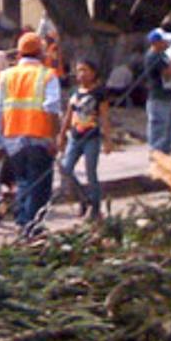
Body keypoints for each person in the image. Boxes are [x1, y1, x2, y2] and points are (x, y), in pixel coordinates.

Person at [0, 32, 61, 236]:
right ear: (40, 52)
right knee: (40, 187)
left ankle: (23, 223)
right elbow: (52, 108)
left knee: (23, 183)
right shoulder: (48, 75)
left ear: (19, 53)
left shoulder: (6, 76)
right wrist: (54, 138)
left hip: (13, 139)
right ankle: (31, 228)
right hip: (39, 138)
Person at [57, 60, 112, 221]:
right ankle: (84, 198)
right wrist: (62, 135)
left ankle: (95, 208)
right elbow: (68, 115)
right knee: (66, 168)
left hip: (91, 138)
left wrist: (107, 139)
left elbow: (104, 117)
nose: (81, 74)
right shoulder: (75, 92)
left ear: (93, 72)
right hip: (75, 136)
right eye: (79, 70)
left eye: (85, 70)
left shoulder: (99, 93)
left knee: (91, 173)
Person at [144, 29, 171, 154]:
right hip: (158, 97)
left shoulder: (163, 55)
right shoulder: (153, 56)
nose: (166, 43)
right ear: (156, 42)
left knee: (168, 128)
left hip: (168, 95)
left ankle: (165, 152)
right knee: (159, 126)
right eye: (164, 41)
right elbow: (168, 72)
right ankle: (156, 153)